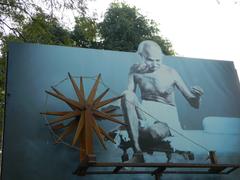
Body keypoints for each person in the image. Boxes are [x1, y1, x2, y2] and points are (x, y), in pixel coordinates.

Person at [121, 40, 203, 163]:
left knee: (152, 132)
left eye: (158, 60)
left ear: (162, 58)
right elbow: (129, 98)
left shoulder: (171, 72)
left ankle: (139, 133)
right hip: (145, 113)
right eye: (149, 60)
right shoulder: (135, 70)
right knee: (126, 95)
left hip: (165, 118)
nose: (154, 64)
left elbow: (194, 104)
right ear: (141, 56)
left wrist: (197, 97)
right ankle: (137, 153)